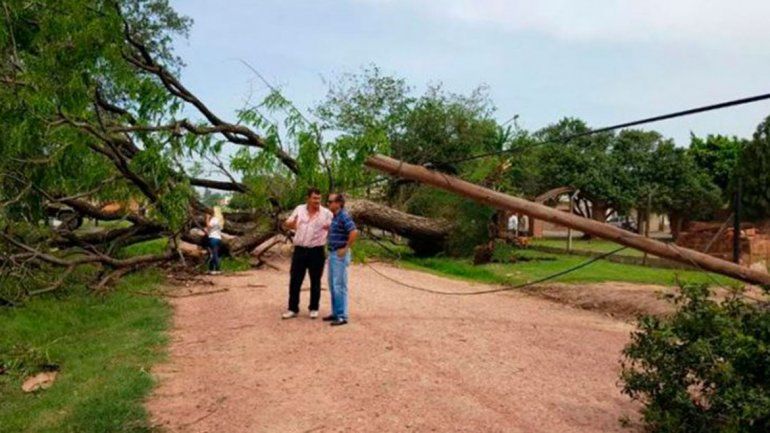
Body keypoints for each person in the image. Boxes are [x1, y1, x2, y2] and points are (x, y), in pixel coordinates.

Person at [281, 187, 333, 320]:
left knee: (315, 280)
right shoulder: (299, 209)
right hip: (300, 250)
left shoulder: (326, 213)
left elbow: (334, 228)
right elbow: (289, 224)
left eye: (319, 199)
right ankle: (293, 308)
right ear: (308, 198)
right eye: (315, 198)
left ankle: (314, 308)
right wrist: (290, 224)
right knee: (295, 280)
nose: (317, 201)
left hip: (317, 250)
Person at [324, 193, 358, 327]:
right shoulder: (335, 217)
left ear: (338, 203)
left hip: (339, 255)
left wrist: (346, 248)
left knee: (339, 285)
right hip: (332, 253)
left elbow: (354, 231)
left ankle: (342, 316)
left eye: (330, 201)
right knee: (332, 285)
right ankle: (335, 313)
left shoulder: (344, 216)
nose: (328, 204)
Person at [206, 206, 225, 275]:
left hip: (213, 238)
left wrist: (207, 218)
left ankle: (217, 269)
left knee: (214, 254)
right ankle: (211, 269)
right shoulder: (220, 220)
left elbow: (208, 226)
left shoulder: (214, 219)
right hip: (218, 238)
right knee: (213, 253)